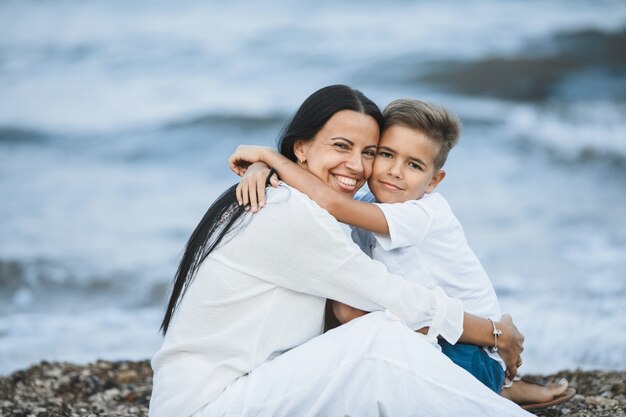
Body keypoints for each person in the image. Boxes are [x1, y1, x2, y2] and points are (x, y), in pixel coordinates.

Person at [150, 85, 531, 417]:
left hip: (239, 391)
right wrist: (496, 333)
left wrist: (270, 166)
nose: (357, 165)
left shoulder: (291, 200)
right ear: (300, 147)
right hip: (208, 407)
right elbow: (390, 296)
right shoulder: (287, 214)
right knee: (379, 339)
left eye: (369, 152)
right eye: (341, 146)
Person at [229, 98, 575, 411]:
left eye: (413, 164)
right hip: (443, 337)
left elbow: (330, 202)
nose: (395, 171)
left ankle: (497, 388)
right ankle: (502, 386)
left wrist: (269, 157)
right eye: (385, 154)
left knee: (357, 325)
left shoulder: (423, 213)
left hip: (470, 350)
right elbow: (320, 192)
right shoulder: (368, 206)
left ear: (433, 181)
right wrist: (264, 172)